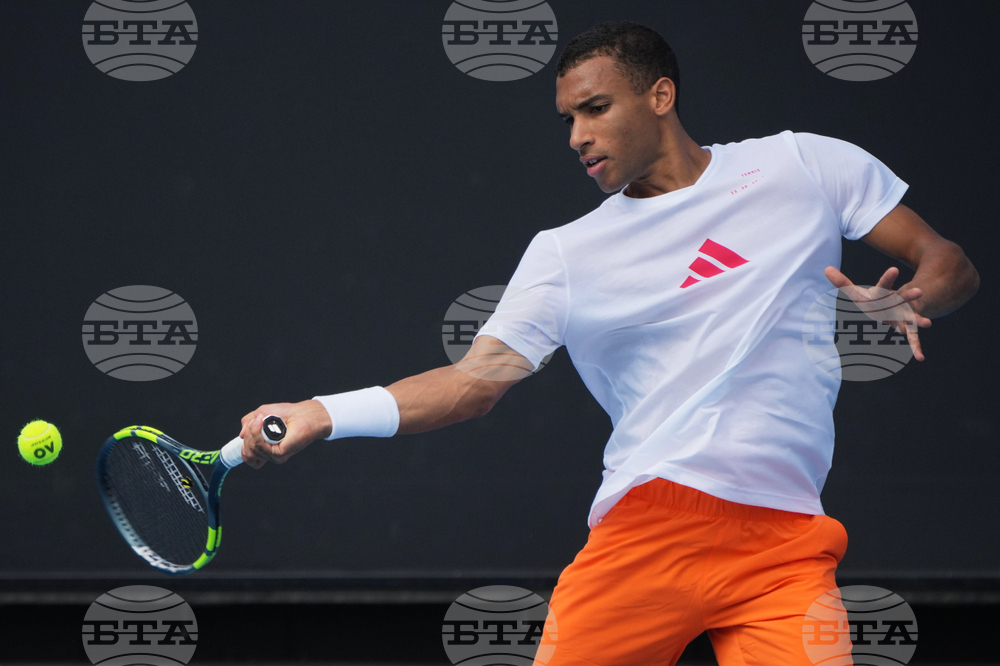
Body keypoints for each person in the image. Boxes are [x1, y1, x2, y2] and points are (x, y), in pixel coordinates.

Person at [238, 21, 979, 666]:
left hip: (787, 544)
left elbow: (950, 265)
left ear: (660, 96)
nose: (577, 137)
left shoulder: (806, 166)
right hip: (649, 531)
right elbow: (474, 384)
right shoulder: (569, 253)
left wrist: (913, 298)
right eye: (567, 119)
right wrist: (323, 410)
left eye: (595, 109)